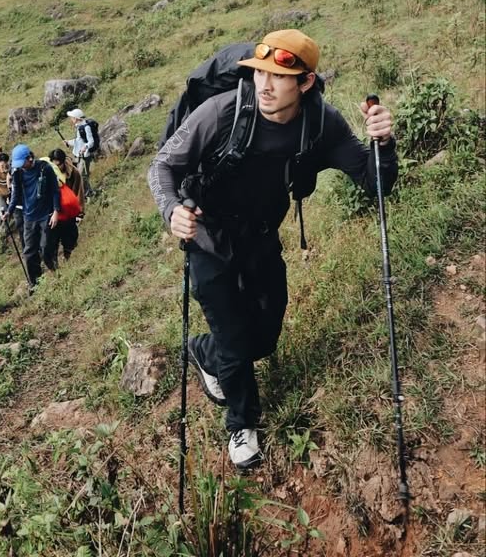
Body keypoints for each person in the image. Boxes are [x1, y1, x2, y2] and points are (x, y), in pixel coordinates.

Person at [148, 29, 397, 471]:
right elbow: (164, 164)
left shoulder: (321, 125)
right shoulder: (225, 111)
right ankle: (242, 425)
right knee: (235, 337)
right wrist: (171, 212)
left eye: (278, 77)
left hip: (262, 237)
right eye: (260, 73)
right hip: (207, 236)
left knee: (263, 336)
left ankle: (204, 353)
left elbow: (375, 181)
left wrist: (384, 143)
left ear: (305, 83)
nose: (264, 85)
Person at [6, 143, 61, 287]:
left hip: (46, 215)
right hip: (28, 217)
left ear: (30, 158)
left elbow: (55, 191)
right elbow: (16, 193)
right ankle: (35, 284)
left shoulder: (45, 168)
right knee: (29, 253)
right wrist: (9, 211)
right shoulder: (17, 172)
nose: (21, 166)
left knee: (45, 249)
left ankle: (56, 273)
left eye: (23, 162)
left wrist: (56, 211)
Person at [48, 148, 85, 260]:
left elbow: (79, 192)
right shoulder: (48, 172)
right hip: (54, 210)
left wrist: (80, 213)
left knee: (69, 237)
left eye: (59, 165)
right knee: (53, 239)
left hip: (69, 210)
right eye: (54, 165)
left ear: (64, 162)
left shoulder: (73, 173)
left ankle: (68, 256)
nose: (57, 168)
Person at [65, 108, 96, 197]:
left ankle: (88, 193)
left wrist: (85, 147)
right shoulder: (79, 127)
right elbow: (78, 141)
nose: (71, 120)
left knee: (82, 175)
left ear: (76, 118)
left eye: (72, 118)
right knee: (80, 175)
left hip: (84, 156)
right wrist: (68, 142)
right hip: (77, 155)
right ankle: (87, 193)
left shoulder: (86, 127)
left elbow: (91, 142)